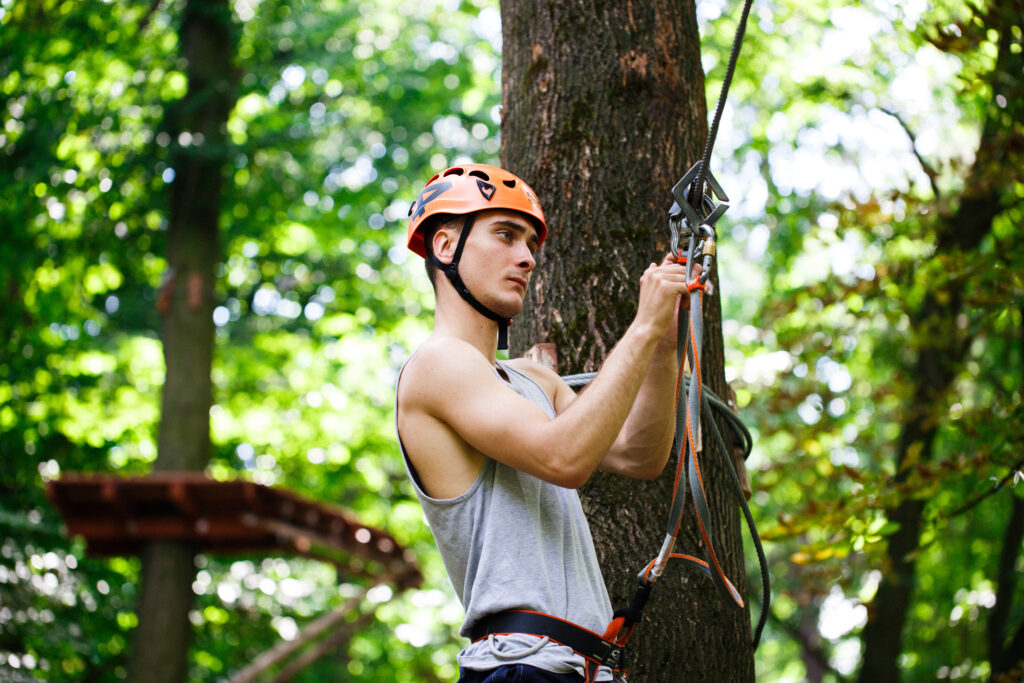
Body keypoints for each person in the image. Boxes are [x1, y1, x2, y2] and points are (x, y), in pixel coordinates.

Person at [394, 163, 693, 682]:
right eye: (505, 235)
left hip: (583, 667)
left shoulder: (533, 380)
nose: (527, 257)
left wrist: (663, 347)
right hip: (521, 665)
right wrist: (641, 328)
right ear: (444, 247)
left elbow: (639, 456)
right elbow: (565, 457)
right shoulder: (436, 365)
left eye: (530, 242)